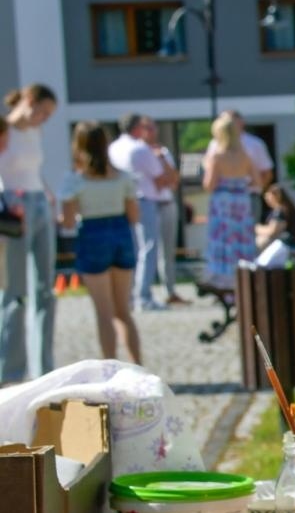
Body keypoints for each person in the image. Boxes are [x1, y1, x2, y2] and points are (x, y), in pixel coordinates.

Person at [59, 122, 140, 363]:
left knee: (104, 313)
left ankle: (109, 366)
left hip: (92, 234)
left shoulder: (75, 181)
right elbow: (135, 216)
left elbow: (68, 222)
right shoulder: (123, 178)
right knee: (123, 311)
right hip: (120, 232)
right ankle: (137, 365)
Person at [0, 83, 60, 382]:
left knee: (45, 290)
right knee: (15, 293)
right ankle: (10, 370)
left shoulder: (34, 133)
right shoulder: (4, 129)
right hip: (14, 207)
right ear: (29, 101)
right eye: (44, 112)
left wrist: (50, 197)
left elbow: (35, 171)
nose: (44, 119)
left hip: (39, 204)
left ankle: (44, 369)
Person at [109, 113, 186, 311]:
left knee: (135, 250)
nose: (151, 131)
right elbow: (164, 180)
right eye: (147, 127)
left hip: (124, 202)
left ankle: (131, 296)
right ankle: (143, 296)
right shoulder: (139, 149)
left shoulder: (114, 147)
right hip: (145, 201)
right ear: (138, 129)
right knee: (148, 249)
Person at [202, 113, 260, 292]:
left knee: (224, 239)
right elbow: (258, 182)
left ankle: (224, 279)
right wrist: (240, 184)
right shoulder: (245, 155)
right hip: (241, 200)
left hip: (223, 201)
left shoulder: (217, 156)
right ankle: (244, 277)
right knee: (242, 237)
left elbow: (209, 185)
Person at [206, 109, 275, 190]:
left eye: (230, 123)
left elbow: (267, 172)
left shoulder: (255, 144)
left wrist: (253, 189)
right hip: (237, 195)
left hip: (246, 194)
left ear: (241, 122)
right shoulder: (214, 144)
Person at [254, 183, 295, 266]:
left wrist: (255, 228)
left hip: (288, 245)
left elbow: (273, 231)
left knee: (259, 247)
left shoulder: (280, 211)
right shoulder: (285, 208)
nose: (266, 199)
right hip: (288, 244)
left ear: (275, 196)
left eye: (268, 196)